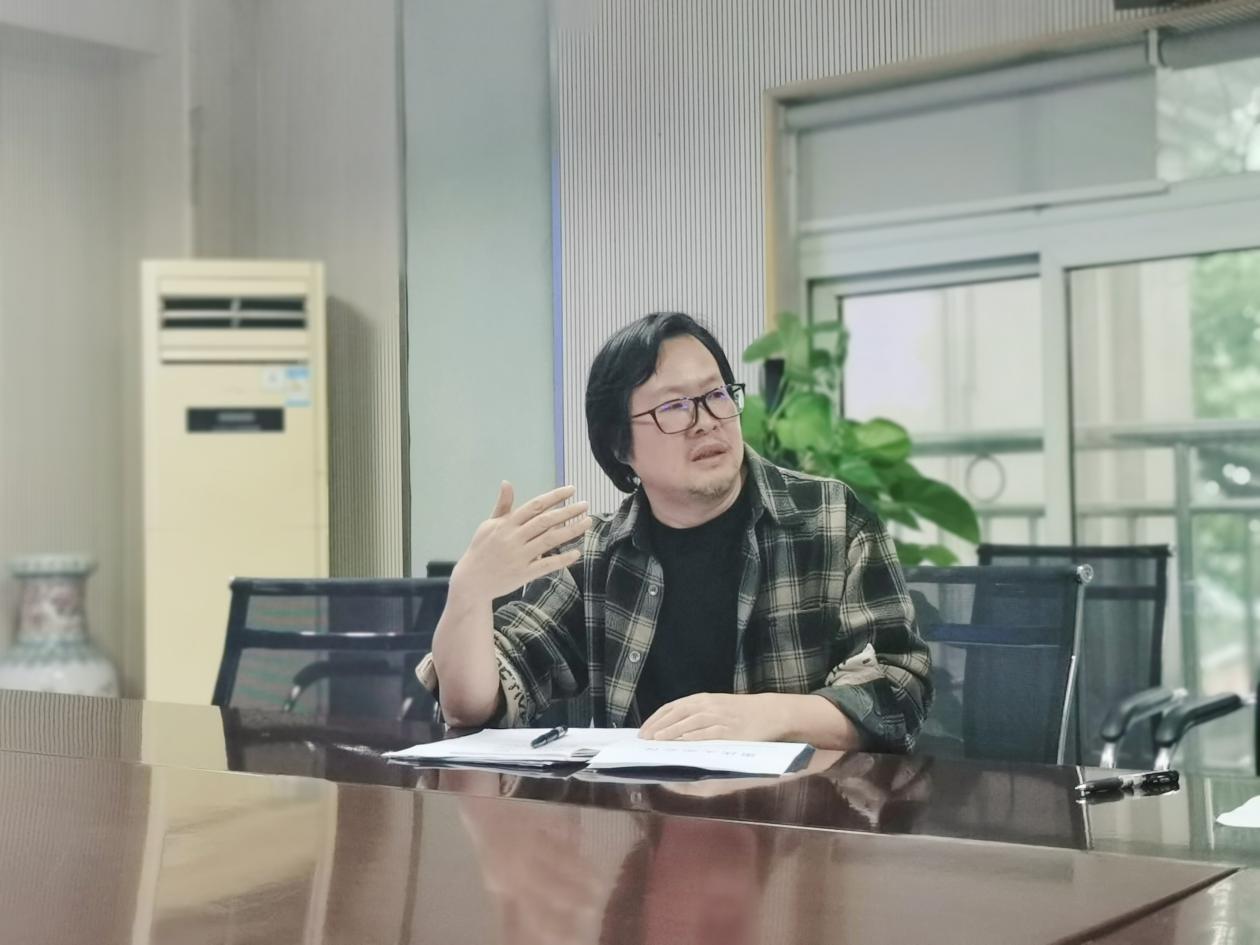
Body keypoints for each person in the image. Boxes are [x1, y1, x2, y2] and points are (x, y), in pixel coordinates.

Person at [419, 312, 931, 751]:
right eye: (674, 407)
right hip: (642, 824)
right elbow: (474, 706)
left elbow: (898, 688)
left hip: (796, 823)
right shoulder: (596, 556)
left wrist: (771, 716)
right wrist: (468, 594)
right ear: (620, 446)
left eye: (716, 395)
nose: (707, 421)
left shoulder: (829, 517)